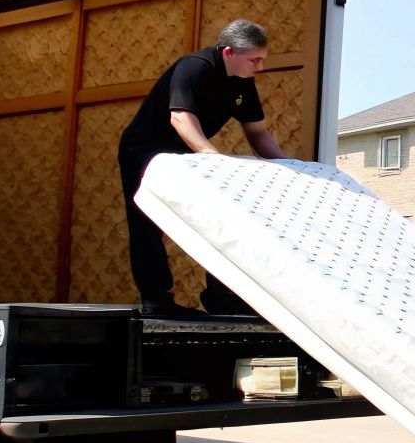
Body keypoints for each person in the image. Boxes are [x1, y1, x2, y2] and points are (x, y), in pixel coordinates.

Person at [116, 19, 287, 319]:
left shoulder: (243, 83)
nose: (260, 67)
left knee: (219, 218)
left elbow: (258, 133)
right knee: (148, 226)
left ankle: (220, 296)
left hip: (187, 157)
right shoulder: (194, 67)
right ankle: (157, 301)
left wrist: (290, 168)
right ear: (229, 52)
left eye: (263, 59)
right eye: (255, 60)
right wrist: (211, 156)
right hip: (144, 152)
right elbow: (180, 118)